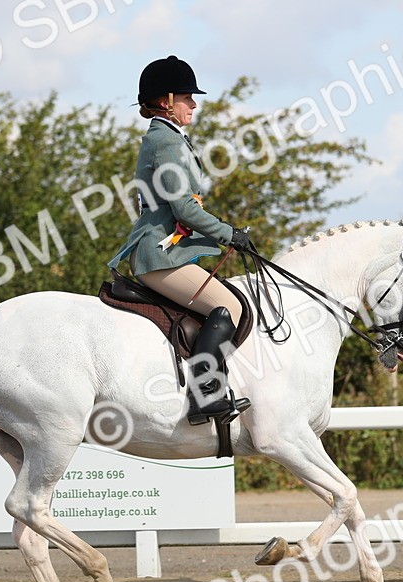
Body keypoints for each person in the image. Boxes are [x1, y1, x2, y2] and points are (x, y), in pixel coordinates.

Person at [109, 55, 253, 426]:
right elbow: (184, 209)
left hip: (170, 252)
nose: (194, 104)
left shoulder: (168, 138)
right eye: (188, 97)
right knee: (229, 309)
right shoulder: (166, 143)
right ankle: (204, 396)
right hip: (159, 256)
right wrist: (229, 235)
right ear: (167, 100)